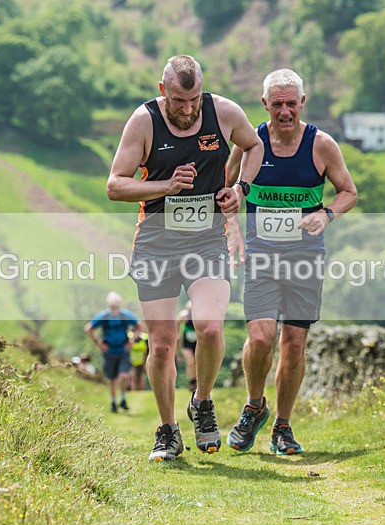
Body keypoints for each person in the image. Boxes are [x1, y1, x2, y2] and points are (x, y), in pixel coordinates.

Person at [106, 55, 263, 461]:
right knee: (161, 346)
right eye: (178, 100)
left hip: (207, 239)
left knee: (209, 328)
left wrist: (241, 189)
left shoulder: (224, 112)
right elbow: (115, 185)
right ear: (163, 91)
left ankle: (203, 402)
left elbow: (254, 145)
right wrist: (166, 186)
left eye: (194, 99)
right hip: (156, 243)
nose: (188, 109)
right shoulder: (143, 122)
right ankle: (168, 431)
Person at [225, 68, 358, 455]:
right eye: (277, 104)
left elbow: (348, 191)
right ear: (264, 104)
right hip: (261, 256)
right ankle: (254, 405)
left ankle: (282, 426)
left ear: (302, 102)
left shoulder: (322, 145)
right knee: (262, 337)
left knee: (295, 344)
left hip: (304, 258)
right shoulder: (251, 144)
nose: (285, 111)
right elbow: (225, 186)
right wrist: (231, 226)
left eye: (291, 103)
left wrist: (327, 214)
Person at [85, 291, 142, 413]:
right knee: (111, 378)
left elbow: (138, 326)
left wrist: (132, 341)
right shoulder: (104, 316)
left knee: (123, 375)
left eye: (115, 302)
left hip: (123, 350)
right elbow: (89, 328)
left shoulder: (125, 315)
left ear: (119, 303)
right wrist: (99, 343)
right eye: (112, 302)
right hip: (109, 351)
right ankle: (113, 402)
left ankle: (122, 399)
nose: (114, 304)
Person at [177, 300, 197, 392]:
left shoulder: (199, 315)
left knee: (197, 362)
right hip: (186, 342)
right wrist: (177, 334)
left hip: (197, 341)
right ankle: (191, 382)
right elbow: (176, 323)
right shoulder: (183, 315)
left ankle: (198, 382)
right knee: (190, 361)